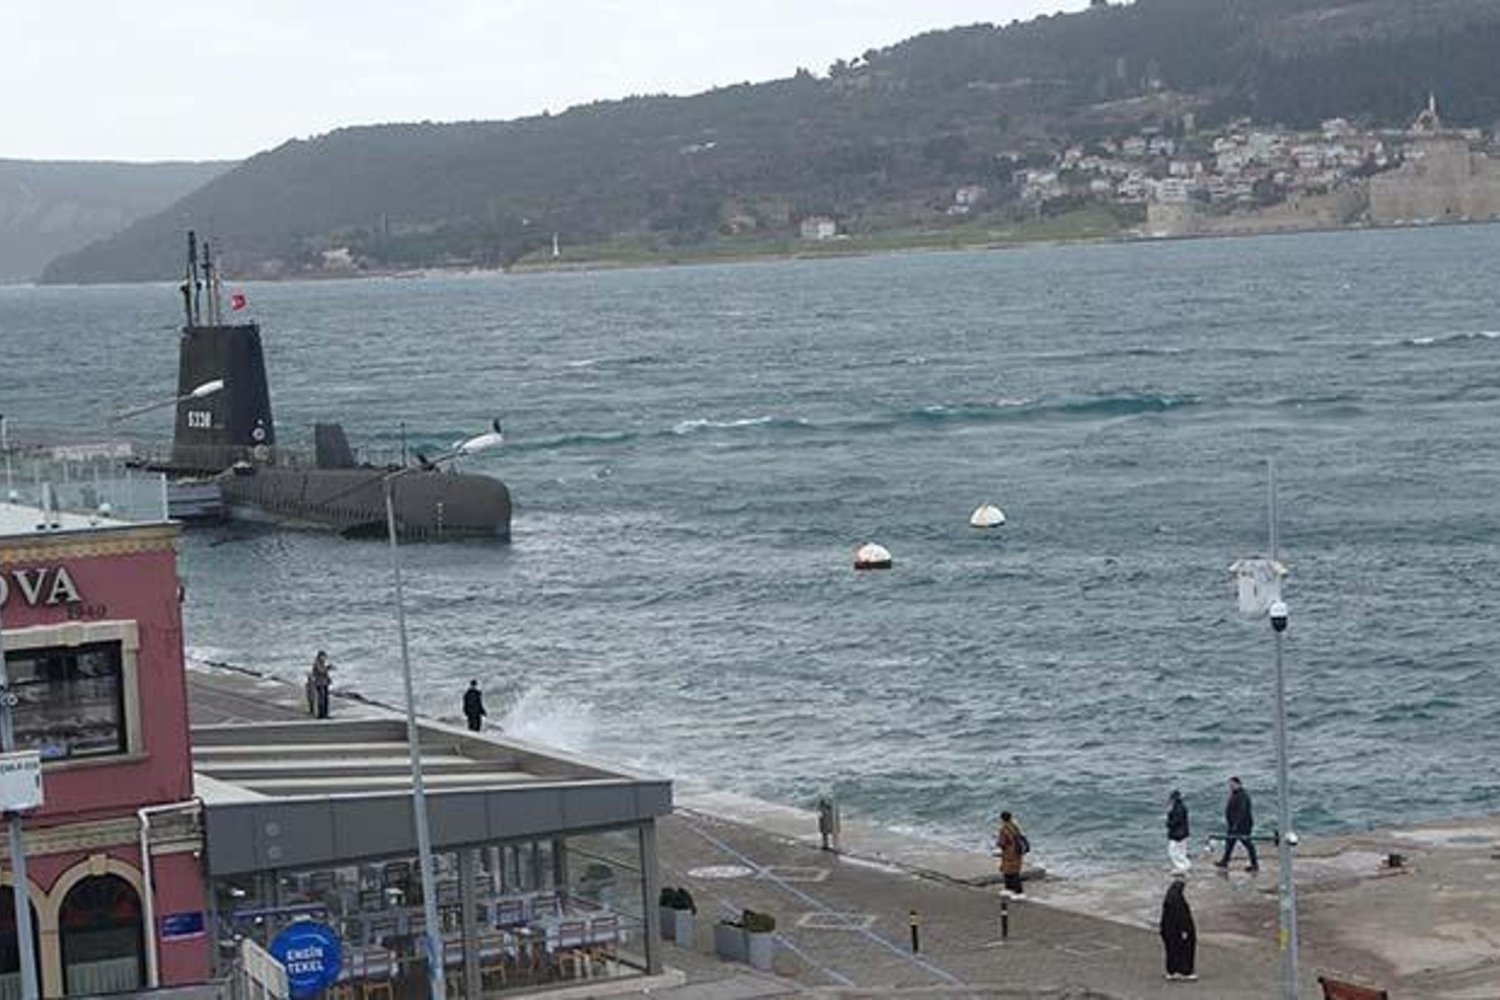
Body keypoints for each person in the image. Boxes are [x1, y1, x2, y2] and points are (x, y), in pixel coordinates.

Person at [1214, 776, 1258, 872]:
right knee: (1229, 843)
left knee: (1247, 844)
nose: (1230, 786)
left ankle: (1254, 864)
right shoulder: (1235, 794)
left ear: (1238, 784)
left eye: (1232, 784)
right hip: (1233, 825)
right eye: (1230, 785)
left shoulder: (1242, 795)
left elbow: (1242, 811)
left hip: (1242, 825)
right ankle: (1224, 861)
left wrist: (1236, 824)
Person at [1159, 875, 1198, 981]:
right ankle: (1185, 971)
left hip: (1169, 929)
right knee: (1184, 949)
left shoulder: (1170, 896)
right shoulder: (1177, 899)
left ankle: (1172, 971)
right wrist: (1184, 930)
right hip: (1178, 930)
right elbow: (1181, 916)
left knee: (1172, 950)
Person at [996, 811, 1027, 895]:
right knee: (1013, 871)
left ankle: (1018, 892)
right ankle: (1010, 889)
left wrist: (998, 844)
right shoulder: (1015, 826)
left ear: (1002, 819)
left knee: (1010, 872)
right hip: (1017, 852)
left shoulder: (1004, 829)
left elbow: (1002, 842)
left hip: (1009, 853)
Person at [1166, 789, 1191, 874]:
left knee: (1172, 852)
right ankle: (1187, 865)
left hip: (1177, 834)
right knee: (1182, 851)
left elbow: (1175, 821)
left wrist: (1169, 819)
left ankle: (1180, 867)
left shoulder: (1176, 809)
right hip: (1183, 833)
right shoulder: (1182, 807)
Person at [309, 650, 333, 719]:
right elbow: (321, 671)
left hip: (324, 683)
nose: (324, 658)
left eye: (325, 657)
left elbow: (325, 674)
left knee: (325, 699)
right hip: (320, 684)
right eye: (323, 656)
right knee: (321, 699)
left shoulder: (322, 663)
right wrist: (328, 668)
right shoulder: (317, 663)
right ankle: (321, 714)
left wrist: (329, 679)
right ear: (319, 656)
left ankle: (325, 714)